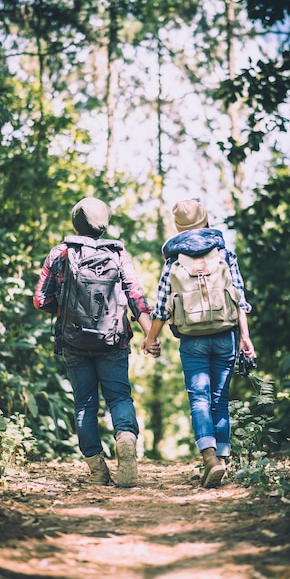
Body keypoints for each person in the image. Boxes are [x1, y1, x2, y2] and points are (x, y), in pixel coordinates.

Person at [34, 196, 160, 488]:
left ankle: (97, 470)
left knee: (84, 406)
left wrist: (66, 310)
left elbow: (41, 300)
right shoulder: (117, 254)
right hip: (113, 339)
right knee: (119, 398)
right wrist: (148, 336)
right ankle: (126, 437)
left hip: (74, 341)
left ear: (75, 222)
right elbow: (136, 297)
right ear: (104, 225)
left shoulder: (61, 253)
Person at [142, 198, 256, 488]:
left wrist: (150, 338)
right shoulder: (225, 255)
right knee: (219, 400)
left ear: (178, 228)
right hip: (224, 336)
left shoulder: (173, 261)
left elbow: (161, 309)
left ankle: (209, 459)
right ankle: (224, 460)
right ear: (205, 221)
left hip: (192, 340)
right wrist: (245, 337)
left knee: (199, 400)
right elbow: (240, 300)